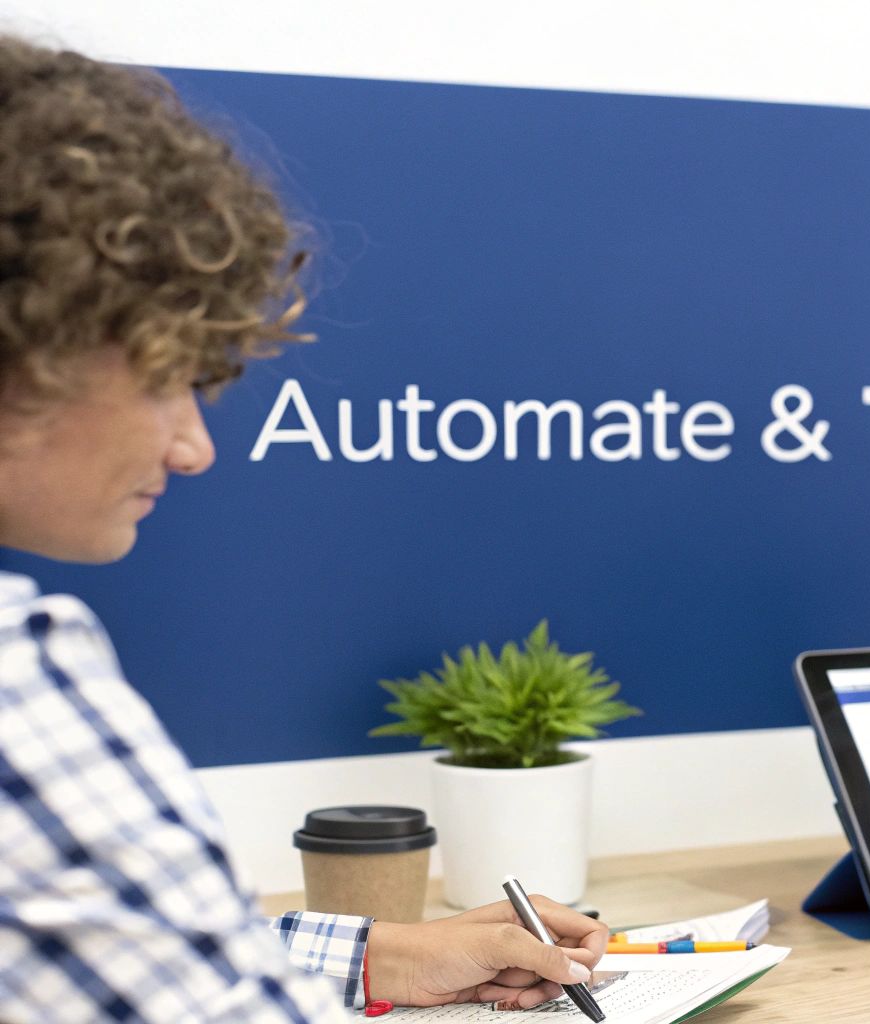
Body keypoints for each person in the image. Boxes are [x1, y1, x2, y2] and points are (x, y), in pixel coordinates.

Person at [0, 36, 609, 1021]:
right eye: (167, 375)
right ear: (30, 340)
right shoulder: (18, 684)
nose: (193, 447)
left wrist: (377, 954)